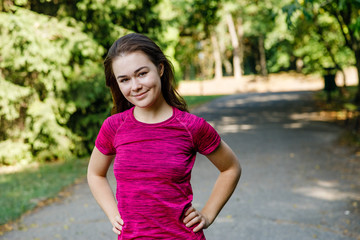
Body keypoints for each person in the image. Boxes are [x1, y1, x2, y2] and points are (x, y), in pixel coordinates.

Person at [87, 33, 241, 240]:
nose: (135, 86)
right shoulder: (113, 127)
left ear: (160, 68)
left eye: (142, 74)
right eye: (124, 80)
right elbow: (95, 174)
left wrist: (207, 214)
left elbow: (230, 168)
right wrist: (113, 214)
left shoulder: (191, 127)